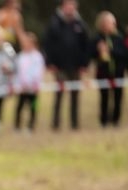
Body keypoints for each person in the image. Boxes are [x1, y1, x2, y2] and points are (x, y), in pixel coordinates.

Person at [42, 0, 90, 131]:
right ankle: (55, 124)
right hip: (59, 66)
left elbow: (86, 46)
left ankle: (74, 124)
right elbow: (47, 45)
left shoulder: (80, 24)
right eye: (68, 5)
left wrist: (84, 64)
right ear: (63, 6)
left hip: (75, 66)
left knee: (75, 96)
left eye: (72, 5)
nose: (70, 8)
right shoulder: (54, 23)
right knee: (59, 95)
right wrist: (50, 63)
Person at [90, 11, 128, 128]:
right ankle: (104, 121)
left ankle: (116, 120)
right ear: (102, 23)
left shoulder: (119, 38)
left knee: (118, 97)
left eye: (113, 22)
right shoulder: (97, 39)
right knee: (104, 97)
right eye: (110, 22)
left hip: (118, 72)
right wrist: (99, 50)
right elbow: (91, 54)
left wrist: (109, 50)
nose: (112, 25)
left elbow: (124, 54)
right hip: (103, 72)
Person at [13, 31, 45, 133]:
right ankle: (17, 127)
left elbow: (38, 72)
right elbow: (17, 72)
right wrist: (18, 84)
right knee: (19, 107)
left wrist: (35, 84)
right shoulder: (20, 57)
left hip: (33, 88)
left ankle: (30, 126)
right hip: (22, 88)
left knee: (33, 107)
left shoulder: (37, 57)